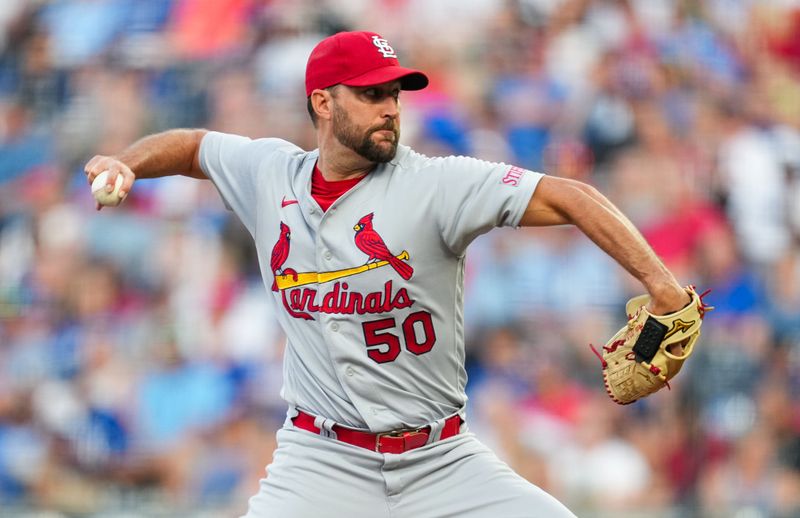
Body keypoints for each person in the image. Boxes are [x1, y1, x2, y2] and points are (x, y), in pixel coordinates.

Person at [84, 31, 691, 518]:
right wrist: (125, 161)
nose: (391, 108)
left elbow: (571, 196)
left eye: (395, 94)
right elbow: (193, 146)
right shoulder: (269, 174)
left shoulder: (435, 184)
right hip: (320, 461)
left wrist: (662, 287)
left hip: (442, 460)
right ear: (323, 102)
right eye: (371, 95)